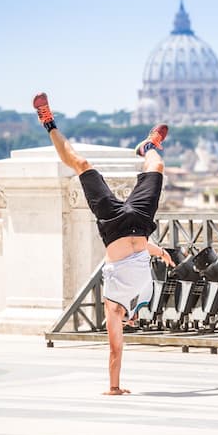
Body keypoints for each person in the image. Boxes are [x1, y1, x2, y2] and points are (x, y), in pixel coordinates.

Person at [33, 92, 175, 395]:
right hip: (140, 221)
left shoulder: (112, 307)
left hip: (112, 223)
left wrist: (114, 387)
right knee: (158, 167)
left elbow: (114, 352)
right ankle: (147, 146)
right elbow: (140, 252)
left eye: (131, 319)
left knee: (81, 163)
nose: (131, 319)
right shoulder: (145, 293)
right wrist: (160, 251)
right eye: (134, 319)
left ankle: (48, 122)